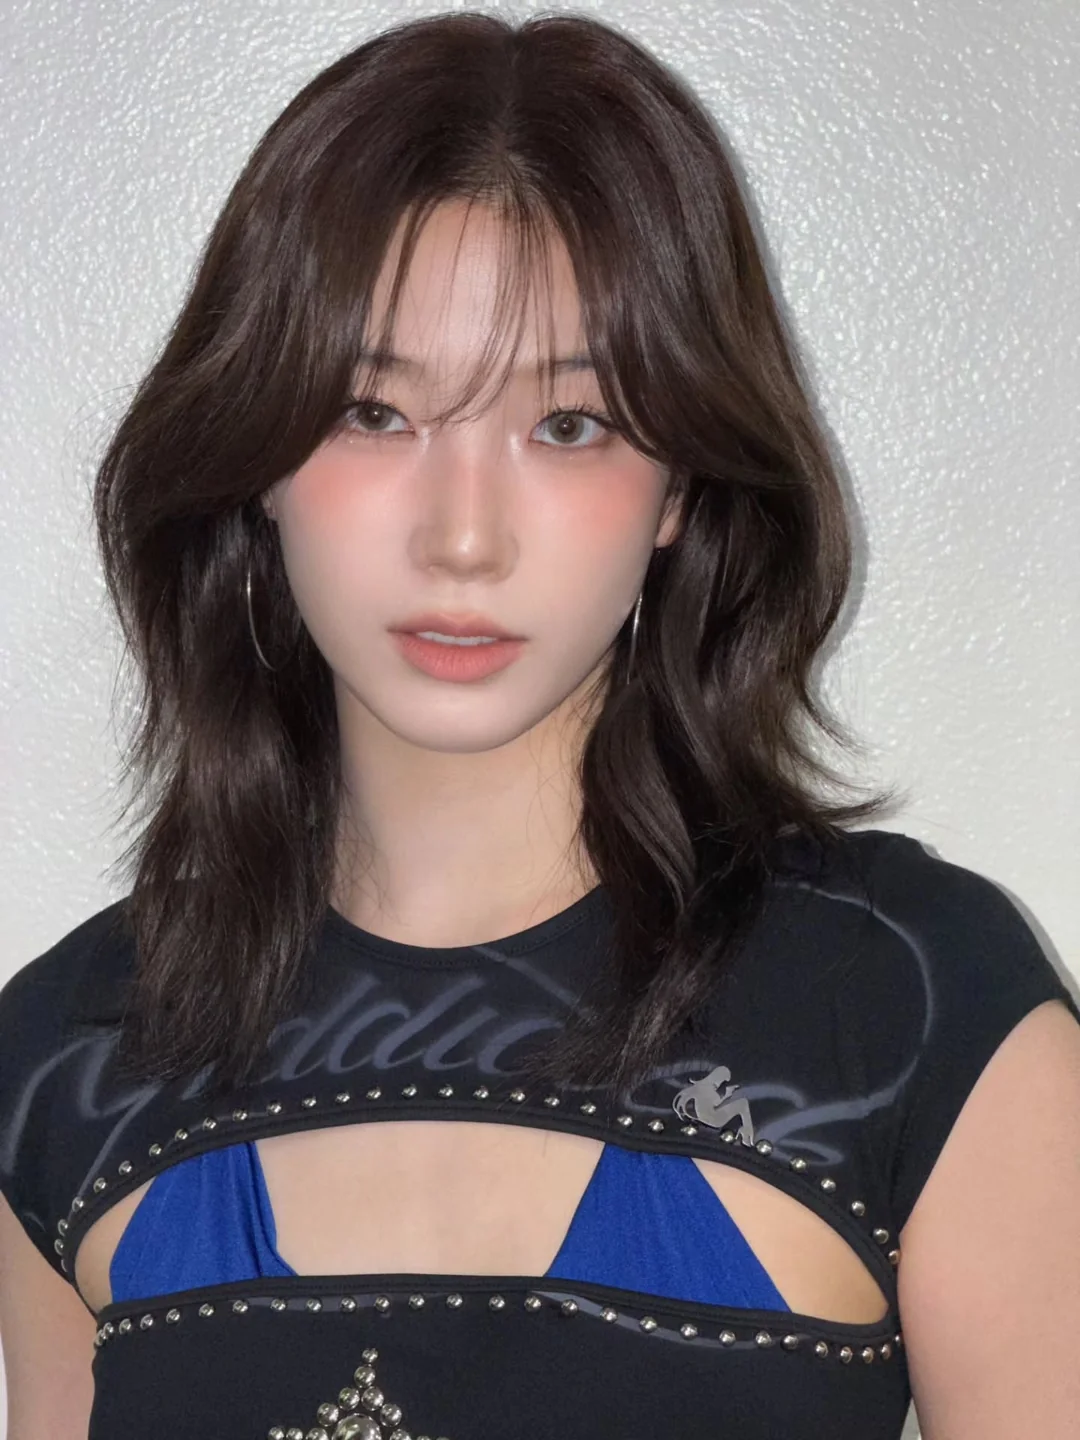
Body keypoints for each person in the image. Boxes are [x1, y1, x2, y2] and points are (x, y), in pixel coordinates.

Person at [1, 10, 1077, 1440]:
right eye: (372, 411)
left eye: (569, 426)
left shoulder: (913, 1008)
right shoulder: (65, 1056)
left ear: (681, 487)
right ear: (257, 458)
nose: (464, 537)